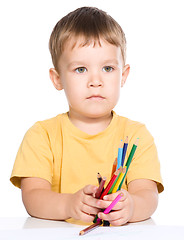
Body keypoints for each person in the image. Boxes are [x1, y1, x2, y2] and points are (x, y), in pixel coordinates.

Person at [10, 6, 164, 226]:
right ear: (57, 79)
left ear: (124, 75)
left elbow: (148, 195)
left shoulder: (136, 135)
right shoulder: (41, 135)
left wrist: (132, 208)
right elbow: (32, 196)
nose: (96, 81)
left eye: (108, 68)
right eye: (81, 69)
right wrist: (68, 205)